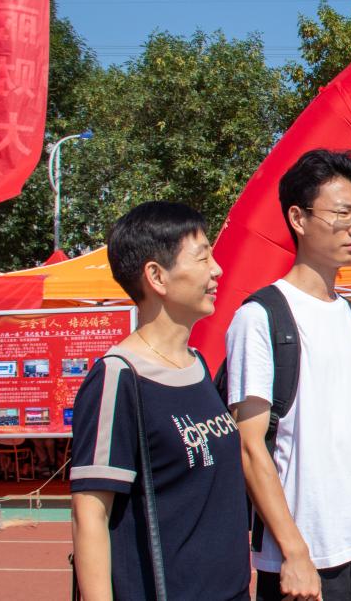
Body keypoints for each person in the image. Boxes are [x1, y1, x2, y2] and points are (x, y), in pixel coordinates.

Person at [226, 149, 351, 601]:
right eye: (342, 213)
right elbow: (249, 447)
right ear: (298, 218)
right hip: (305, 549)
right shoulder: (261, 317)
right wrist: (294, 551)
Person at [70, 202, 251, 599]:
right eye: (202, 257)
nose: (217, 270)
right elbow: (90, 513)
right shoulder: (119, 377)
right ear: (156, 276)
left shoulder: (198, 366)